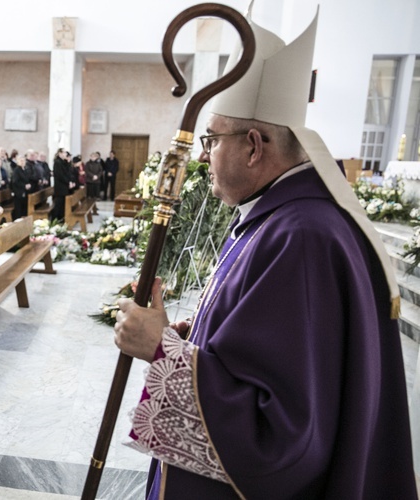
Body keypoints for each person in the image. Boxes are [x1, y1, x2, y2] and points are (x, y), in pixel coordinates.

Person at [113, 15, 417, 499]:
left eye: (211, 140)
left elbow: (284, 435)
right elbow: (268, 353)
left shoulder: (302, 239)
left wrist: (160, 350)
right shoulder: (280, 219)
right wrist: (193, 336)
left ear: (254, 146)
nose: (203, 155)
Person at [49, 148, 74, 222]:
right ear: (60, 153)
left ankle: (61, 218)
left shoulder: (63, 162)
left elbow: (68, 172)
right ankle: (54, 219)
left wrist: (68, 162)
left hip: (64, 186)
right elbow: (60, 175)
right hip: (60, 187)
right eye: (64, 153)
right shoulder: (57, 162)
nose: (66, 154)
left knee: (63, 204)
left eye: (66, 153)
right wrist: (68, 182)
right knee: (58, 204)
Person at [10, 154, 31, 220]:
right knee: (19, 211)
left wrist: (28, 184)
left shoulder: (24, 169)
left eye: (23, 160)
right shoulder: (16, 170)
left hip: (24, 192)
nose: (22, 162)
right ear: (17, 161)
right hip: (18, 193)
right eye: (20, 160)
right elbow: (15, 181)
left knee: (24, 209)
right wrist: (24, 185)